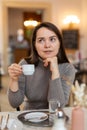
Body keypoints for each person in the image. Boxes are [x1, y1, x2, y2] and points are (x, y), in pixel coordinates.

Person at [8, 22, 76, 110]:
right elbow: (14, 103)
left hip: (55, 120)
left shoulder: (67, 68)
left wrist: (55, 71)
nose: (47, 45)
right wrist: (14, 80)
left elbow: (56, 107)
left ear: (59, 42)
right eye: (41, 40)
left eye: (52, 39)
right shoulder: (25, 65)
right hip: (29, 117)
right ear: (34, 45)